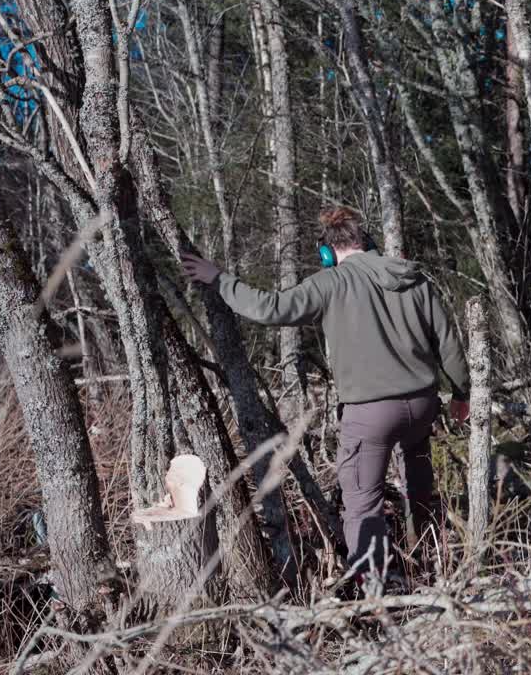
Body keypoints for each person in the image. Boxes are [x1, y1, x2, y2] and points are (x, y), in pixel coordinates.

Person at [181, 207, 470, 581]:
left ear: (328, 253)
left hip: (371, 414)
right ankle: (430, 558)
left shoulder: (330, 282)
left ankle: (377, 591)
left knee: (363, 503)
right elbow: (447, 341)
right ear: (368, 243)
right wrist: (462, 392)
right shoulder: (412, 277)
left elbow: (269, 308)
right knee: (418, 484)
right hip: (423, 403)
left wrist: (219, 279)